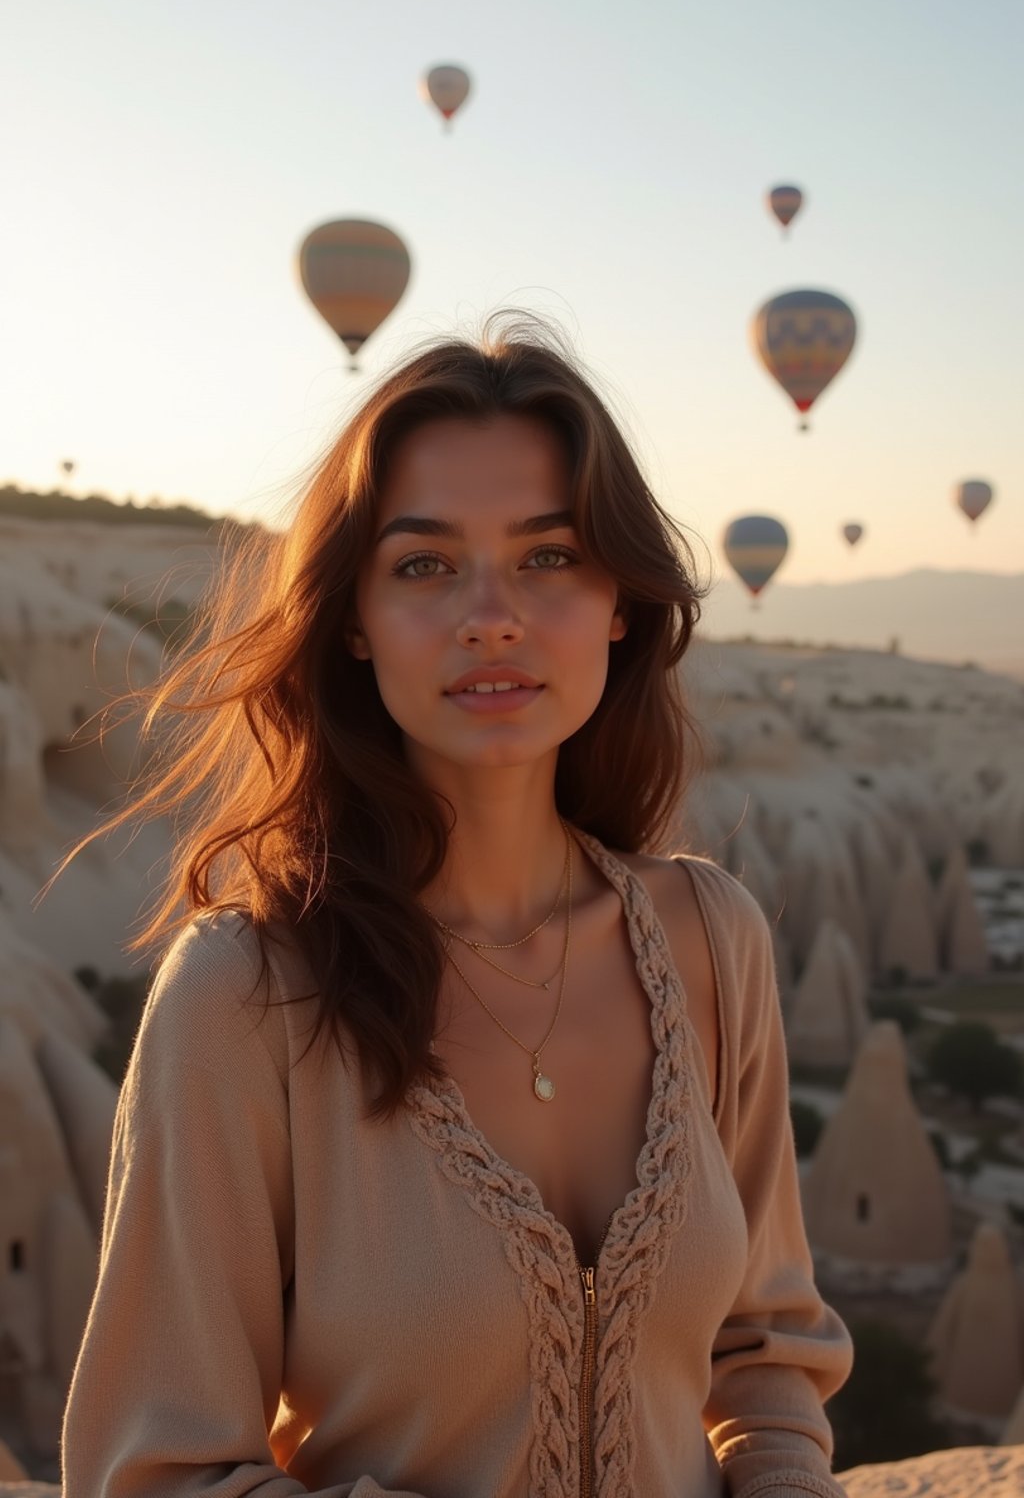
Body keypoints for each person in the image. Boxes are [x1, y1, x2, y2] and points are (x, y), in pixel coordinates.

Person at [60, 315, 853, 1498]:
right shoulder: (250, 993)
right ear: (354, 625)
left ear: (620, 603)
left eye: (549, 557)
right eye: (425, 564)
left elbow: (768, 1354)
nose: (494, 613)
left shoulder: (709, 939)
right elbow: (155, 1469)